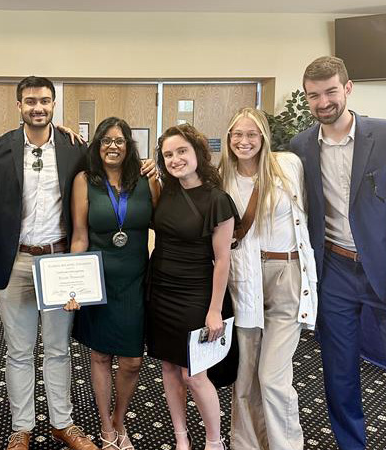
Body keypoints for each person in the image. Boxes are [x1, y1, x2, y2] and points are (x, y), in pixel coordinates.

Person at [290, 56, 386, 450]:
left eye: (330, 92)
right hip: (334, 271)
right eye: (314, 95)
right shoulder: (301, 146)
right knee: (339, 376)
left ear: (348, 88)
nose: (323, 102)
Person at [0, 76, 100, 450]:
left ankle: (62, 422)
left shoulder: (75, 148)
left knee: (59, 349)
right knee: (18, 350)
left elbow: (110, 173)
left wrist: (147, 168)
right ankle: (22, 428)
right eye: (30, 101)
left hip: (59, 261)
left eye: (45, 101)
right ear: (19, 105)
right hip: (14, 260)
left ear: (53, 104)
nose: (38, 107)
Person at [219, 107, 316, 450]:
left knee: (272, 376)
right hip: (244, 278)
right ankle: (246, 444)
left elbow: (308, 213)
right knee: (245, 374)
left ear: (263, 137)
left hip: (286, 275)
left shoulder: (288, 166)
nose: (244, 141)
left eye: (251, 134)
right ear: (229, 138)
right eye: (237, 134)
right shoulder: (222, 177)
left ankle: (285, 445)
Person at [68, 117, 160, 450]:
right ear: (97, 145)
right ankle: (107, 426)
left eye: (119, 141)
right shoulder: (84, 181)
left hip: (136, 280)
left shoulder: (146, 179)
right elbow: (80, 236)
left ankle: (120, 419)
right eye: (106, 140)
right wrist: (73, 285)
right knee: (101, 355)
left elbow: (165, 223)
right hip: (99, 280)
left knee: (133, 360)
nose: (113, 146)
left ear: (129, 146)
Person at [147, 123, 236, 450]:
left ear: (198, 152)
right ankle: (181, 439)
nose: (175, 159)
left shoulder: (218, 200)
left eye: (182, 151)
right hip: (160, 290)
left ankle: (214, 441)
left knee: (194, 374)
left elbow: (222, 260)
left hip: (195, 294)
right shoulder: (164, 191)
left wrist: (214, 310)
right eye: (168, 154)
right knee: (169, 367)